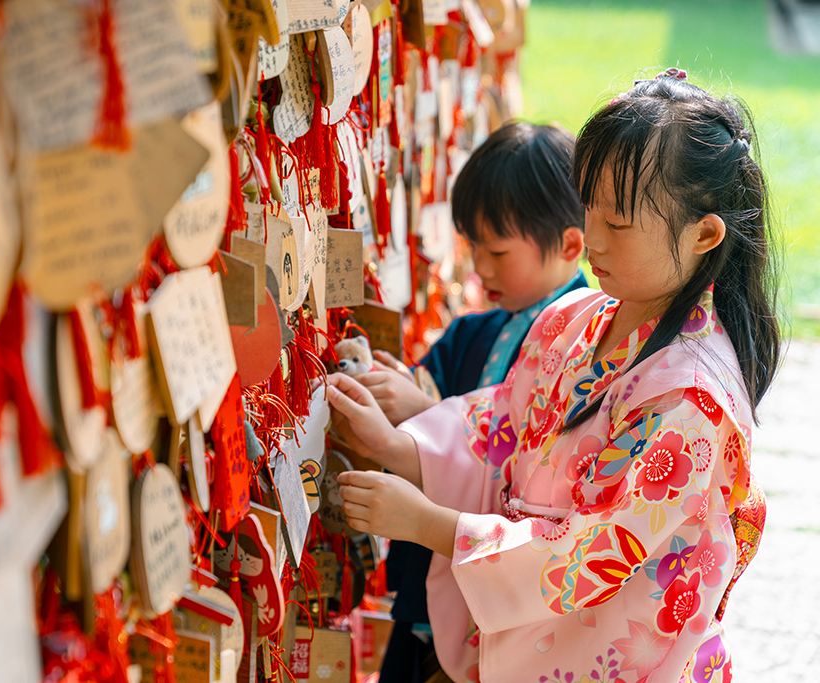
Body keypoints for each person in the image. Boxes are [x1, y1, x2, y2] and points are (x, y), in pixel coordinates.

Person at [328, 70, 780, 683]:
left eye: (617, 223)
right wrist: (397, 447)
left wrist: (428, 524)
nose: (591, 236)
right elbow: (499, 425)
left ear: (704, 234)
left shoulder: (694, 401)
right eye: (588, 207)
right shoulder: (572, 319)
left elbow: (593, 556)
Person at [360, 121, 587, 683]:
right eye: (473, 246)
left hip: (500, 596)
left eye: (498, 250)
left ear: (570, 245)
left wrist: (422, 413)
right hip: (427, 592)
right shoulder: (470, 332)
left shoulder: (583, 352)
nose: (481, 267)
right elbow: (423, 394)